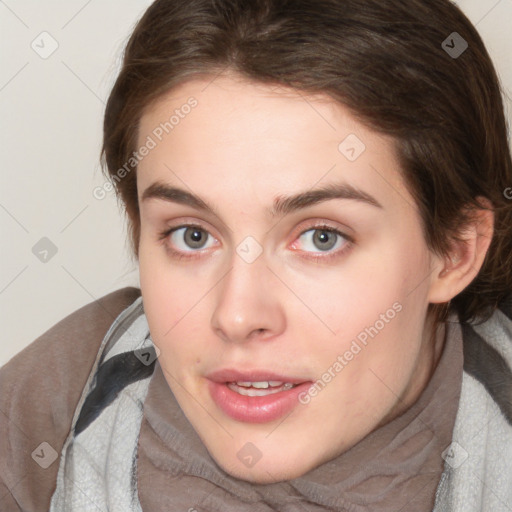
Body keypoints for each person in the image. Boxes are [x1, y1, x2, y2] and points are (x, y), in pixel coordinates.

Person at [1, 0, 511, 510]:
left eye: (321, 238)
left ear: (454, 252)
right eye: (191, 235)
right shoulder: (50, 410)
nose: (238, 315)